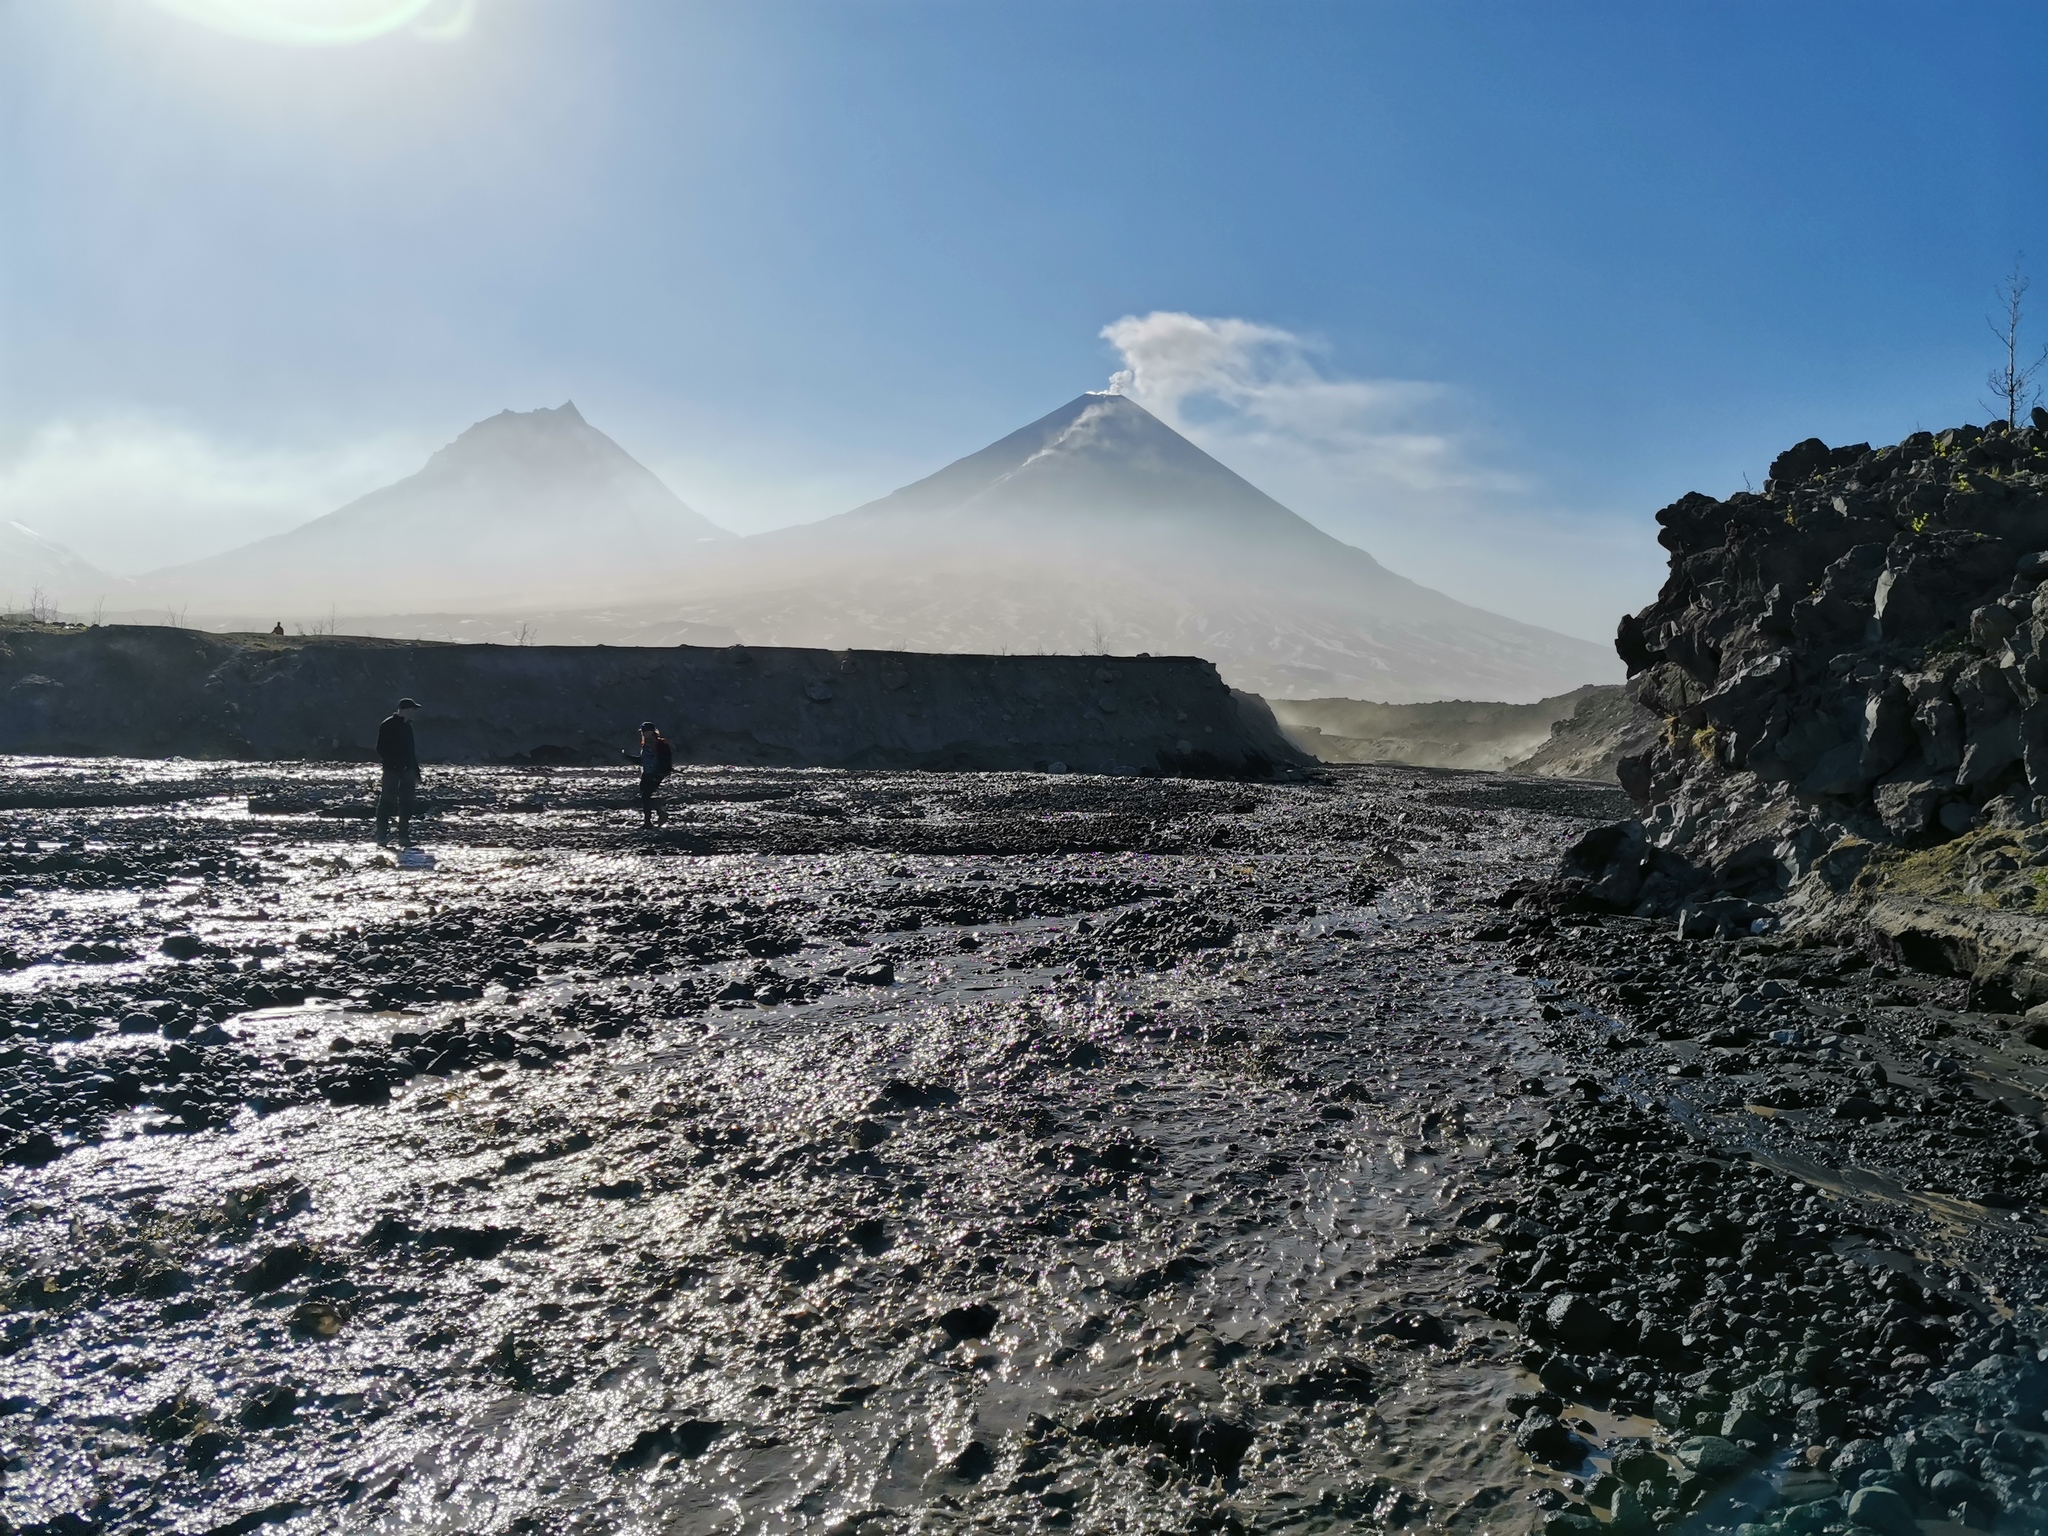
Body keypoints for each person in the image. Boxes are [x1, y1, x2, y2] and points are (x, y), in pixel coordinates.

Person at [374, 698, 421, 847]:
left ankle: (403, 836)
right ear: (406, 710)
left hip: (408, 770)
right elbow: (381, 748)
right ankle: (381, 834)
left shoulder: (408, 727)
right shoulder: (388, 725)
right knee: (386, 801)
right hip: (391, 770)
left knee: (407, 803)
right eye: (413, 710)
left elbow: (411, 751)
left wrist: (416, 771)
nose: (414, 713)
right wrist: (394, 764)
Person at [622, 721, 672, 827]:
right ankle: (654, 817)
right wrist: (628, 757)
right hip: (647, 773)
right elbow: (642, 761)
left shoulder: (660, 744)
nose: (644, 733)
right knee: (645, 797)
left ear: (652, 731)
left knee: (646, 796)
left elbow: (665, 760)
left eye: (646, 731)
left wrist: (661, 773)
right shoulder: (645, 745)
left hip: (656, 773)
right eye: (643, 731)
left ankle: (652, 819)